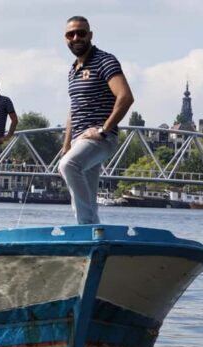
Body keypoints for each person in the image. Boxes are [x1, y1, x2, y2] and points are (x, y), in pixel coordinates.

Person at [58, 16, 134, 224]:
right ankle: (94, 236)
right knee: (87, 195)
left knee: (68, 166)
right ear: (65, 39)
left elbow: (125, 97)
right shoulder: (73, 70)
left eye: (81, 33)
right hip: (78, 140)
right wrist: (66, 144)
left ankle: (84, 228)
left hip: (99, 139)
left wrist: (103, 130)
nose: (76, 38)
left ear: (90, 35)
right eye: (70, 34)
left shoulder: (104, 61)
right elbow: (73, 109)